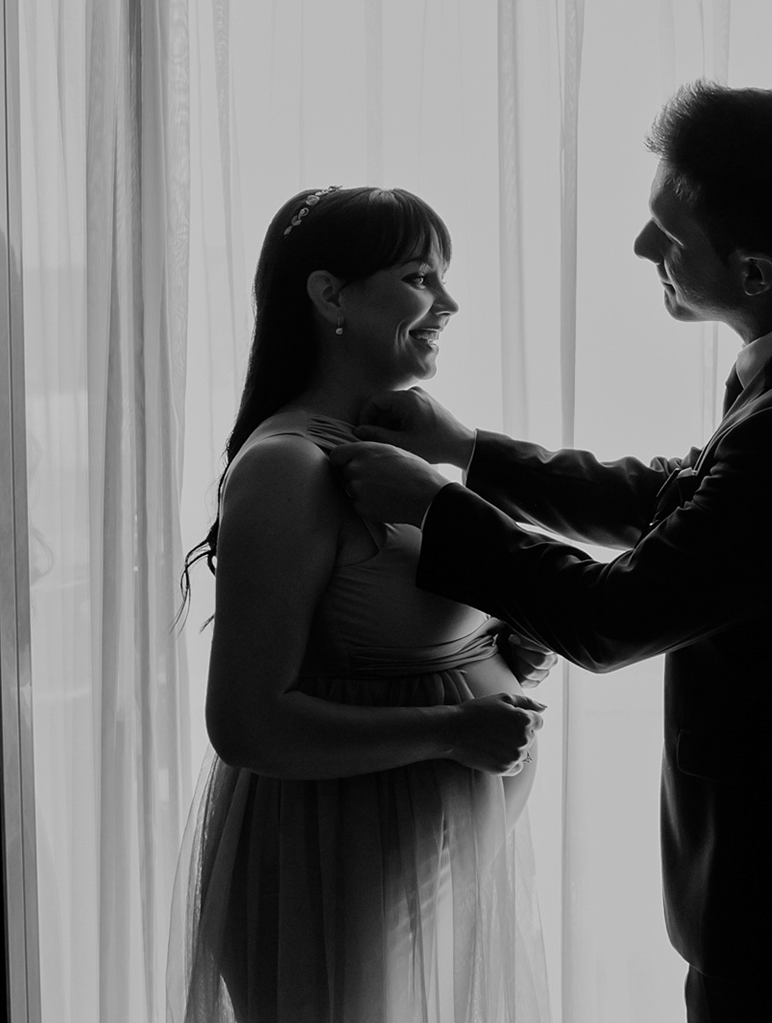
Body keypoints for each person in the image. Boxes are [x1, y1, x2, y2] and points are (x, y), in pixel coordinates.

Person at [328, 83, 772, 1022]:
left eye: (668, 235)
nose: (642, 248)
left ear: (754, 270)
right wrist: (473, 450)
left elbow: (613, 615)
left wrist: (438, 507)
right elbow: (686, 498)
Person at [172, 186, 555, 1023]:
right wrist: (454, 729)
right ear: (330, 296)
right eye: (420, 277)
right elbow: (246, 721)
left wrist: (511, 642)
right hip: (332, 874)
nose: (448, 303)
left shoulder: (392, 455)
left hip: (424, 874)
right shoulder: (288, 467)